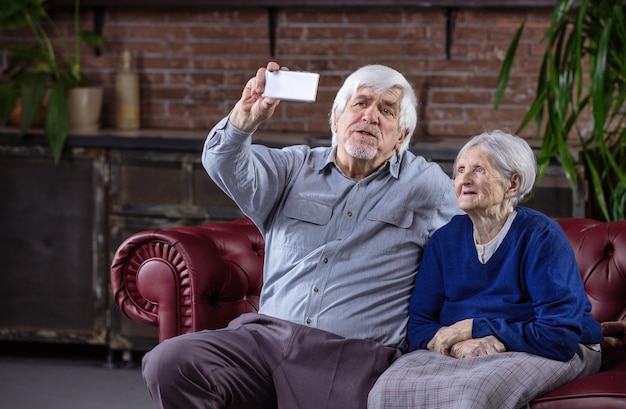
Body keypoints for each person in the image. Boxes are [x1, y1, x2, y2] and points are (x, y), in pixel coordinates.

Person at [141, 61, 461, 409]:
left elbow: (485, 227)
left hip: (348, 356)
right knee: (169, 362)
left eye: (386, 110)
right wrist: (242, 121)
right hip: (264, 338)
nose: (370, 116)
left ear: (401, 136)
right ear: (336, 119)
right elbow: (223, 163)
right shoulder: (293, 167)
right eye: (360, 103)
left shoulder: (427, 185)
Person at [368, 130, 604, 409]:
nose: (464, 179)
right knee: (386, 389)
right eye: (459, 171)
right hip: (467, 350)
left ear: (512, 184)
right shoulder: (444, 241)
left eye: (478, 170)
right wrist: (459, 344)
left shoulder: (541, 236)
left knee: (471, 396)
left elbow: (559, 336)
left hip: (556, 349)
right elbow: (420, 326)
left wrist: (474, 328)